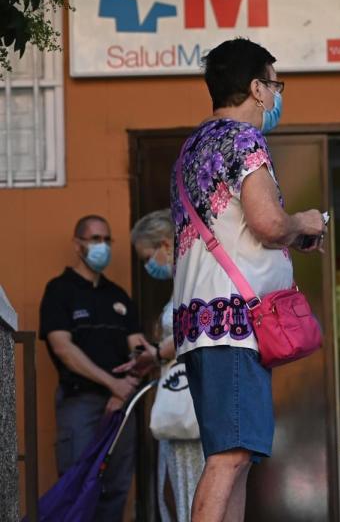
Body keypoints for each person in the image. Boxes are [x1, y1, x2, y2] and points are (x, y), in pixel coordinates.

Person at [170, 38, 326, 522]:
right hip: (231, 323)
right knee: (231, 456)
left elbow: (236, 228)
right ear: (257, 88)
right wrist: (304, 222)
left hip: (202, 323)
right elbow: (266, 222)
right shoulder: (243, 141)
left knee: (235, 456)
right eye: (274, 85)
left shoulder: (192, 148)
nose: (276, 96)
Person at [39, 214, 146, 521]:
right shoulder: (60, 291)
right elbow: (63, 348)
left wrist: (125, 389)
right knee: (78, 481)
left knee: (114, 487)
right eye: (94, 239)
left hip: (121, 406)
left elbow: (140, 349)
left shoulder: (118, 296)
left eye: (106, 240)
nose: (102, 246)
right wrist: (111, 384)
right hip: (80, 402)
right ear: (78, 245)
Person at [117, 209, 205, 521]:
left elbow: (193, 332)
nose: (147, 266)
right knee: (180, 485)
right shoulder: (183, 280)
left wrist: (156, 353)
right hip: (178, 395)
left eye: (147, 256)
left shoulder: (194, 278)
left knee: (196, 485)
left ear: (167, 244)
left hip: (191, 398)